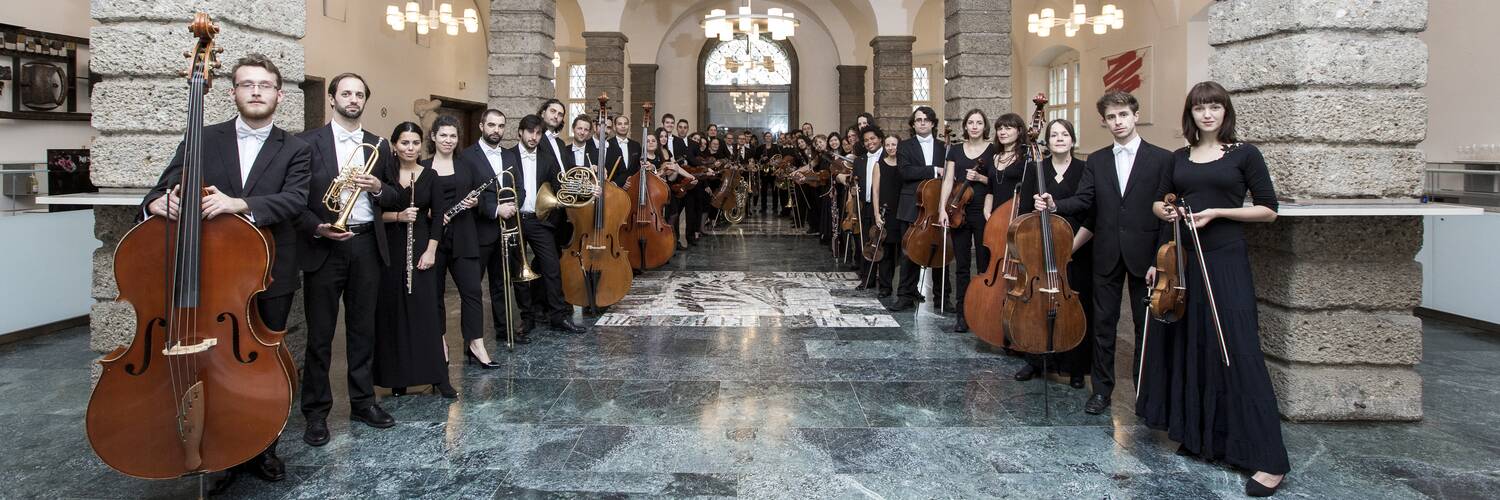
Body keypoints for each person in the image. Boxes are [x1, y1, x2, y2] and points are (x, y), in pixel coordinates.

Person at [142, 53, 312, 492]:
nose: (255, 91)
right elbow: (164, 185)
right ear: (233, 91)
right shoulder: (203, 136)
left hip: (270, 270)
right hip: (210, 276)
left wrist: (242, 204)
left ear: (278, 94)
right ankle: (215, 442)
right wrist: (154, 203)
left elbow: (295, 200)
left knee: (261, 364)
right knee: (209, 365)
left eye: (264, 85)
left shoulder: (295, 147)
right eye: (246, 84)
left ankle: (263, 445)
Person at [1139, 81, 1287, 496]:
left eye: (1215, 107)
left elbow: (1268, 209)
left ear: (1225, 112)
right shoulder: (1178, 157)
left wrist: (1217, 212)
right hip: (1183, 259)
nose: (1208, 114)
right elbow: (1156, 205)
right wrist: (1169, 214)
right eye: (1201, 108)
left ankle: (1270, 461)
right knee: (1195, 345)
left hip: (1224, 259)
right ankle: (1206, 438)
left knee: (1239, 350)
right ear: (1191, 114)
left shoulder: (1244, 154)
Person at [1037, 90, 1174, 415]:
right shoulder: (1097, 160)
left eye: (1123, 115)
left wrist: (1160, 258)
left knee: (1146, 327)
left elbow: (1165, 213)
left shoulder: (1162, 159)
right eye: (1111, 117)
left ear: (1135, 115)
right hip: (1107, 253)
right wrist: (1056, 204)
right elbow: (1085, 200)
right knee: (1103, 325)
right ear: (1104, 121)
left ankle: (1147, 394)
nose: (1118, 122)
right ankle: (1101, 391)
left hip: (1146, 257)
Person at [296, 72, 402, 446]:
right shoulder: (307, 142)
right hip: (325, 245)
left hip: (365, 245)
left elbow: (396, 197)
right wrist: (318, 227)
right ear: (332, 98)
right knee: (320, 335)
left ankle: (362, 401)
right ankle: (316, 413)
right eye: (346, 93)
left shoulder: (379, 145)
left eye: (359, 94)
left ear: (365, 101)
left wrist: (378, 188)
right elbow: (295, 201)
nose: (353, 99)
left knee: (363, 330)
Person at [374, 121, 456, 398]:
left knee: (426, 314)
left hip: (421, 247)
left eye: (415, 143)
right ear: (394, 145)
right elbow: (372, 215)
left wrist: (431, 251)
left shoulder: (430, 176)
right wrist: (398, 216)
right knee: (393, 313)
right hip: (389, 250)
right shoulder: (383, 175)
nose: (410, 148)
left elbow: (438, 218)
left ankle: (438, 377)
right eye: (405, 143)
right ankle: (398, 378)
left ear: (422, 145)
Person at [1012, 119, 1093, 389]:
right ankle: (1035, 360)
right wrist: (1035, 208)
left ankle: (1077, 366)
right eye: (1054, 134)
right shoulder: (1037, 169)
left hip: (1076, 249)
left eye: (1065, 134)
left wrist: (1067, 251)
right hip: (1040, 250)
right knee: (1037, 304)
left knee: (1076, 306)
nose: (1059, 138)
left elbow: (1092, 212)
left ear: (1073, 139)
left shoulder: (1085, 169)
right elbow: (1023, 212)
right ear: (1047, 141)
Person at [487, 114, 587, 334]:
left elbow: (558, 188)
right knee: (519, 272)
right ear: (520, 133)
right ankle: (527, 317)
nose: (534, 137)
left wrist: (585, 191)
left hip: (539, 221)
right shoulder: (507, 156)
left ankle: (558, 316)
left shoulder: (547, 159)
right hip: (513, 220)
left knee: (551, 268)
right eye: (530, 132)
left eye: (538, 133)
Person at [426, 115, 499, 369]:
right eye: (443, 135)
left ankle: (475, 344)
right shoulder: (423, 166)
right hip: (433, 239)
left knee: (472, 292)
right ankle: (439, 343)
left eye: (453, 136)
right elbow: (414, 200)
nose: (448, 140)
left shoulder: (467, 165)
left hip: (465, 236)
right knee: (434, 295)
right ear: (433, 136)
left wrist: (475, 202)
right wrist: (431, 214)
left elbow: (485, 195)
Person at [465, 110, 535, 343]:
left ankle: (505, 332)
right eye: (492, 125)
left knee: (501, 283)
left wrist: (513, 205)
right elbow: (468, 194)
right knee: (473, 289)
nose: (496, 130)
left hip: (506, 230)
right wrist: (496, 209)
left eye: (501, 126)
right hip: (480, 231)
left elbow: (521, 187)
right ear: (481, 126)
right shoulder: (467, 156)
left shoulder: (509, 155)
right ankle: (472, 341)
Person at [937, 109, 999, 333]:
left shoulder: (993, 150)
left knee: (983, 264)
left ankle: (982, 312)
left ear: (985, 126)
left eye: (979, 122)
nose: (974, 126)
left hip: (982, 211)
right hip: (958, 211)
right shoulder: (955, 150)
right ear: (965, 126)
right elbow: (947, 181)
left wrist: (980, 177)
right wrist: (942, 209)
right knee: (962, 265)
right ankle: (961, 315)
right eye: (971, 122)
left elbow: (995, 181)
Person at [886, 106, 949, 312]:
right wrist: (934, 170)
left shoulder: (943, 147)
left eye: (926, 119)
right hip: (912, 205)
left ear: (932, 123)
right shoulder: (905, 146)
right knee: (909, 252)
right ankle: (906, 294)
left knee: (941, 250)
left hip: (938, 205)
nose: (922, 123)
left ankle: (942, 297)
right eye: (918, 120)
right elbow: (905, 172)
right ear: (913, 125)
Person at [604, 114, 642, 188]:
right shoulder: (607, 144)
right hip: (613, 187)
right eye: (619, 124)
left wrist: (632, 180)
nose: (623, 126)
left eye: (626, 124)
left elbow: (638, 167)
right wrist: (620, 183)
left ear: (628, 126)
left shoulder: (636, 145)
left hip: (632, 186)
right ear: (614, 127)